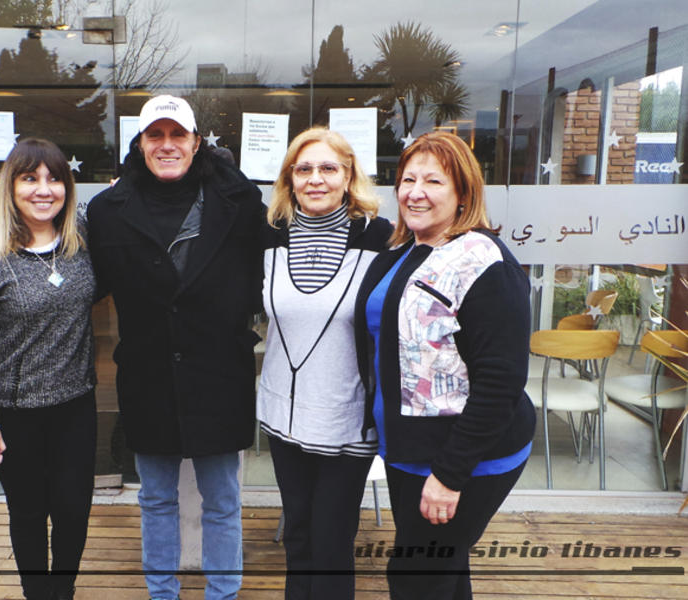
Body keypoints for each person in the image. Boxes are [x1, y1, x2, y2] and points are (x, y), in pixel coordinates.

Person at [86, 95, 264, 600]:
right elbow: (87, 282)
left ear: (196, 142)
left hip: (219, 373)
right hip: (148, 375)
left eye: (177, 135)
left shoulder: (239, 202)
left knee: (223, 500)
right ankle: (161, 592)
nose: (167, 145)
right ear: (140, 144)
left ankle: (223, 593)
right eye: (155, 136)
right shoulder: (107, 211)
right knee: (156, 497)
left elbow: (264, 274)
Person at [353, 131, 535, 600]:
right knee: (443, 572)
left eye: (434, 180)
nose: (416, 191)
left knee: (415, 578)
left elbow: (501, 382)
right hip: (409, 449)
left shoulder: (483, 261)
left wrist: (450, 476)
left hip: (466, 458)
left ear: (463, 193)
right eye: (407, 179)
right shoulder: (404, 250)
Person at [0, 138, 97, 600]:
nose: (44, 189)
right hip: (16, 412)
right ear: (11, 187)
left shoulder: (83, 239)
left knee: (74, 511)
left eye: (54, 178)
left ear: (67, 186)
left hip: (76, 404)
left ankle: (65, 592)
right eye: (30, 178)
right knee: (30, 512)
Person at [257, 127, 393, 599]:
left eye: (328, 168)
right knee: (297, 536)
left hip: (346, 416)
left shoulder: (381, 238)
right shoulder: (269, 233)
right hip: (283, 415)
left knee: (332, 542)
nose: (316, 179)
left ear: (349, 175)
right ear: (289, 178)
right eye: (304, 169)